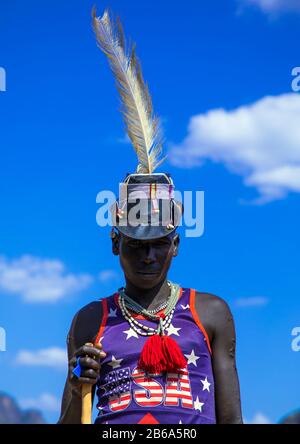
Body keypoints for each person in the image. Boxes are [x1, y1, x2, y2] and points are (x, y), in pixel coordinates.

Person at [58, 9, 243, 424]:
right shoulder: (91, 320)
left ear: (176, 245)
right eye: (136, 245)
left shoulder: (210, 313)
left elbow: (232, 420)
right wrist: (76, 385)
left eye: (159, 244)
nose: (148, 257)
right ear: (114, 243)